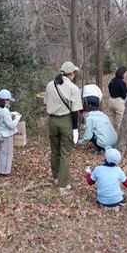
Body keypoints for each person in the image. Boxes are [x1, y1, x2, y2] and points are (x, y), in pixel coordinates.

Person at [44, 61, 83, 193]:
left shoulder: (50, 85)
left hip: (52, 121)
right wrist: (75, 129)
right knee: (65, 153)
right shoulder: (73, 88)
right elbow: (75, 111)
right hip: (66, 121)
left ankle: (56, 177)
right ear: (71, 74)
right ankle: (63, 184)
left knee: (55, 151)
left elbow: (46, 102)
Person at [0, 88, 21, 177]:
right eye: (8, 100)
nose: (9, 102)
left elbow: (3, 115)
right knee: (6, 154)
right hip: (6, 136)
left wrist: (12, 113)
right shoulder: (5, 110)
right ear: (5, 100)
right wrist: (17, 118)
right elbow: (11, 125)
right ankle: (3, 173)